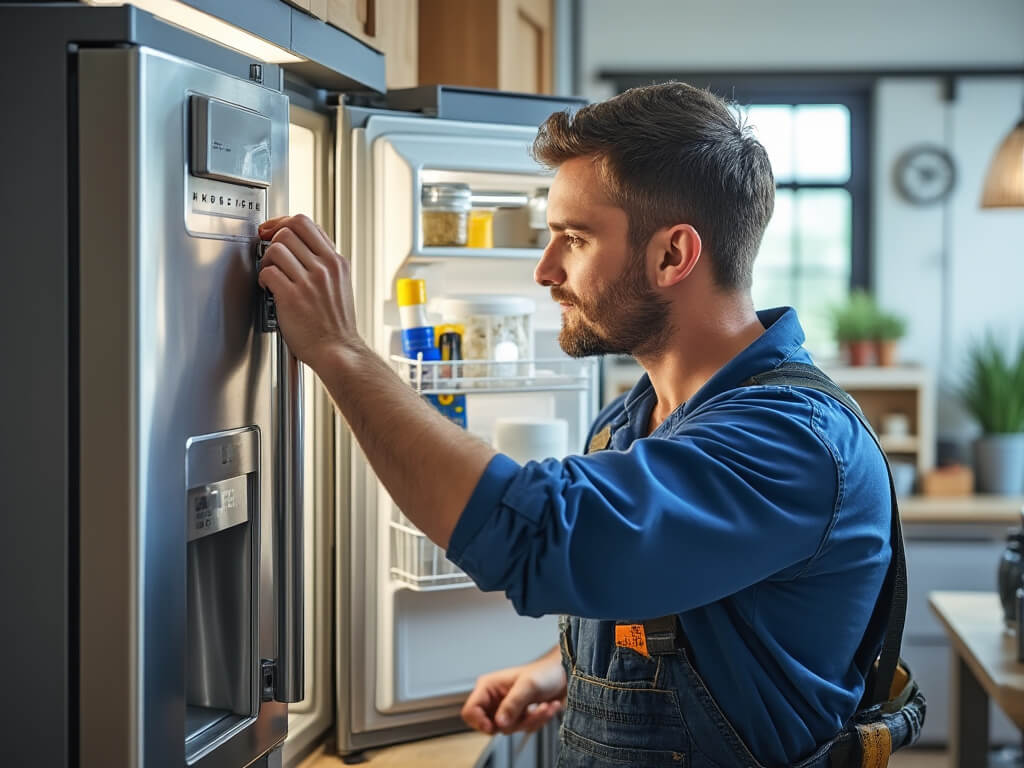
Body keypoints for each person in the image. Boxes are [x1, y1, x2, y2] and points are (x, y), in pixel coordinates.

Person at [257, 82, 895, 767]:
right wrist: (556, 669)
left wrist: (341, 351)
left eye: (575, 238)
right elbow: (682, 598)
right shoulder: (632, 420)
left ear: (673, 256)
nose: (545, 269)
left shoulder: (790, 444)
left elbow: (535, 536)